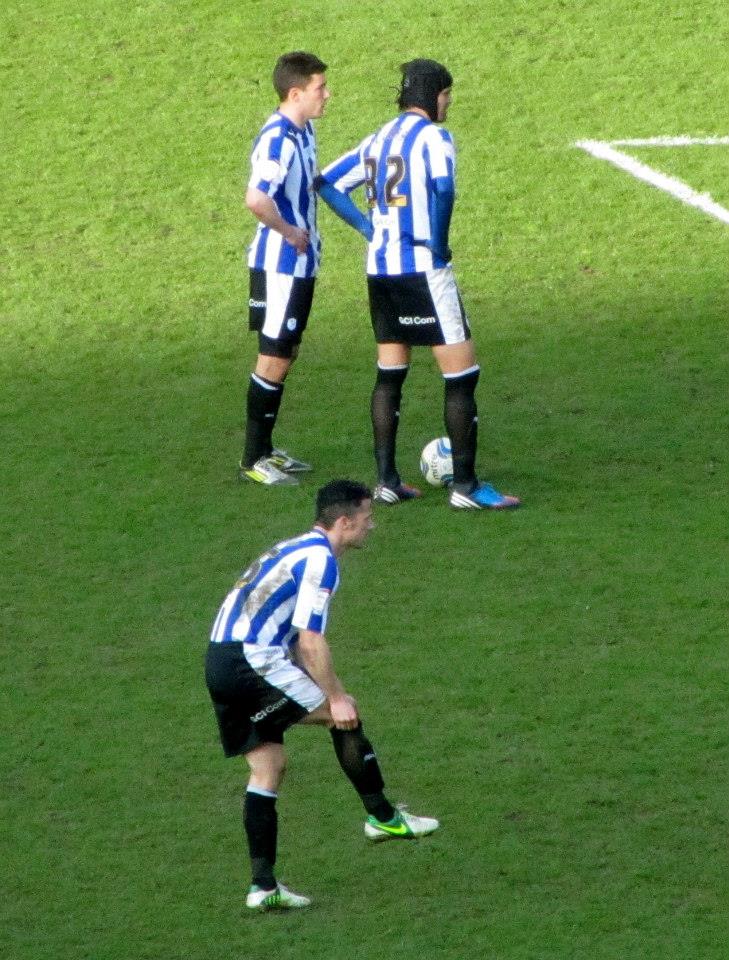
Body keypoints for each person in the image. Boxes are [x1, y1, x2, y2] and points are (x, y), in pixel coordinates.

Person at [205, 480, 439, 911]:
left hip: (220, 662)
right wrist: (336, 695)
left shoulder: (294, 547)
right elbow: (310, 640)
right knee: (341, 713)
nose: (372, 526)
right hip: (251, 660)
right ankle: (383, 817)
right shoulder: (321, 561)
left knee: (268, 767)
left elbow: (289, 634)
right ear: (344, 522)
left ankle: (263, 887)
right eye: (367, 518)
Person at [315, 60, 521, 510]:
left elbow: (327, 184)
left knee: (390, 372)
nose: (449, 103)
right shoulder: (434, 138)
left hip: (380, 271)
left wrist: (367, 227)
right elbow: (444, 190)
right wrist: (440, 244)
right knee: (462, 374)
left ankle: (387, 481)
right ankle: (466, 487)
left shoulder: (377, 139)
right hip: (424, 270)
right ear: (432, 95)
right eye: (446, 94)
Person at [239, 52, 330, 486]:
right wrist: (291, 231)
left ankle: (267, 450)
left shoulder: (303, 130)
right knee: (273, 356)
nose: (327, 95)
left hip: (299, 266)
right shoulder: (278, 140)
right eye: (319, 88)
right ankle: (252, 459)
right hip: (280, 267)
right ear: (295, 93)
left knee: (286, 352)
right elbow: (256, 199)